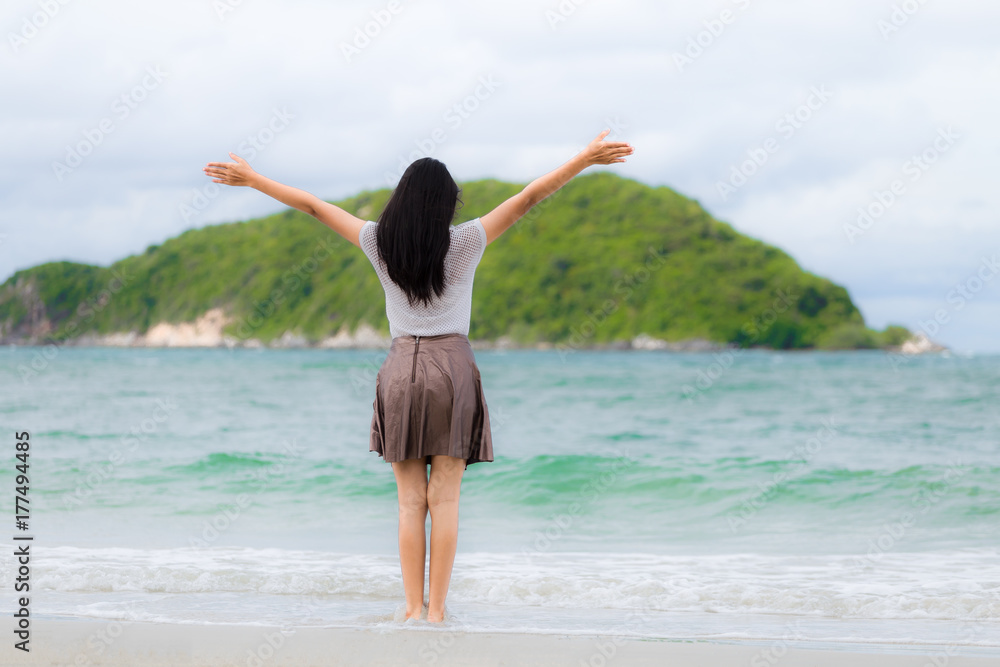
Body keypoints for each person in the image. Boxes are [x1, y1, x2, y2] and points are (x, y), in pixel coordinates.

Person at [203, 129, 634, 623]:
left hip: (400, 369)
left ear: (402, 200)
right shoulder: (467, 240)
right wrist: (584, 158)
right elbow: (530, 196)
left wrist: (254, 179)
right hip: (452, 366)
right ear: (447, 205)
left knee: (411, 501)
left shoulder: (377, 241)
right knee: (444, 498)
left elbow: (315, 207)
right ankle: (436, 613)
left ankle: (410, 609)